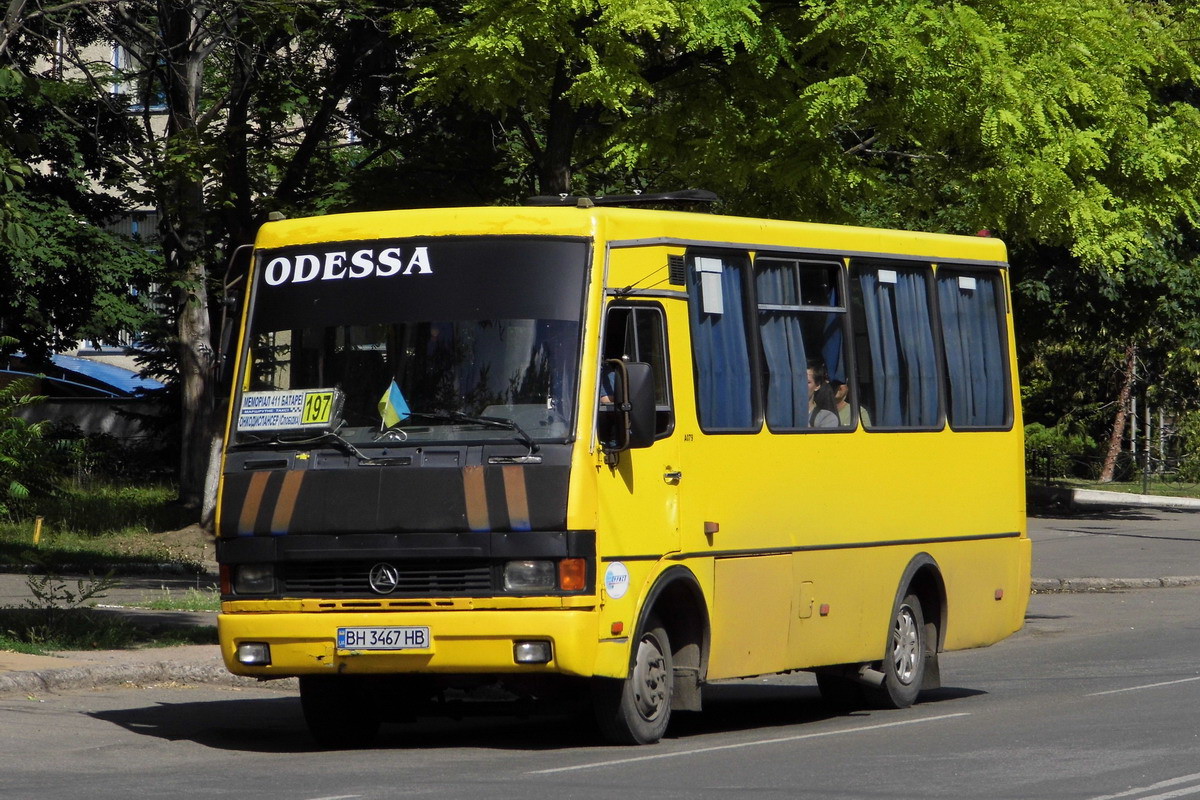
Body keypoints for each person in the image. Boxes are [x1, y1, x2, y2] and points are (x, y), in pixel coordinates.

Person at [806, 360, 839, 428]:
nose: (801, 385)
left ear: (817, 386)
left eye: (807, 382)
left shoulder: (827, 418)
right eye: (798, 380)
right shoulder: (783, 416)